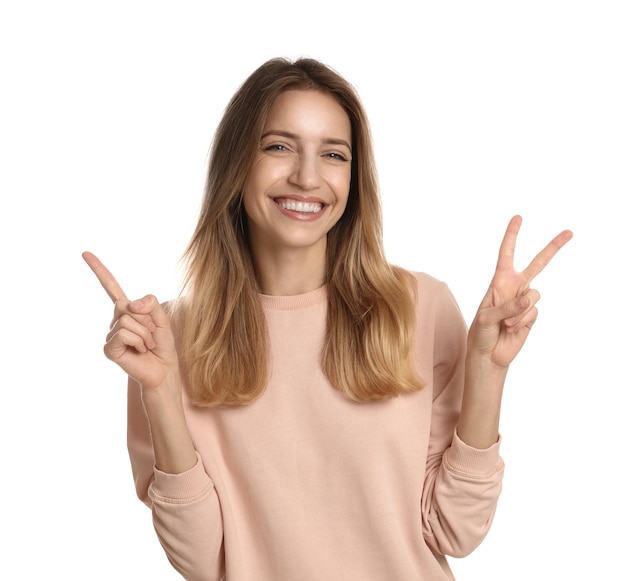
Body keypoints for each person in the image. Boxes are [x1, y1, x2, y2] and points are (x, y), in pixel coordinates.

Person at [83, 57, 572, 581]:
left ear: (353, 178)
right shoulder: (169, 340)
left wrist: (488, 371)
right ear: (236, 163)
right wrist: (158, 390)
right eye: (278, 146)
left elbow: (455, 529)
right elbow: (203, 560)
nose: (308, 176)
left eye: (333, 154)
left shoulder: (421, 308)